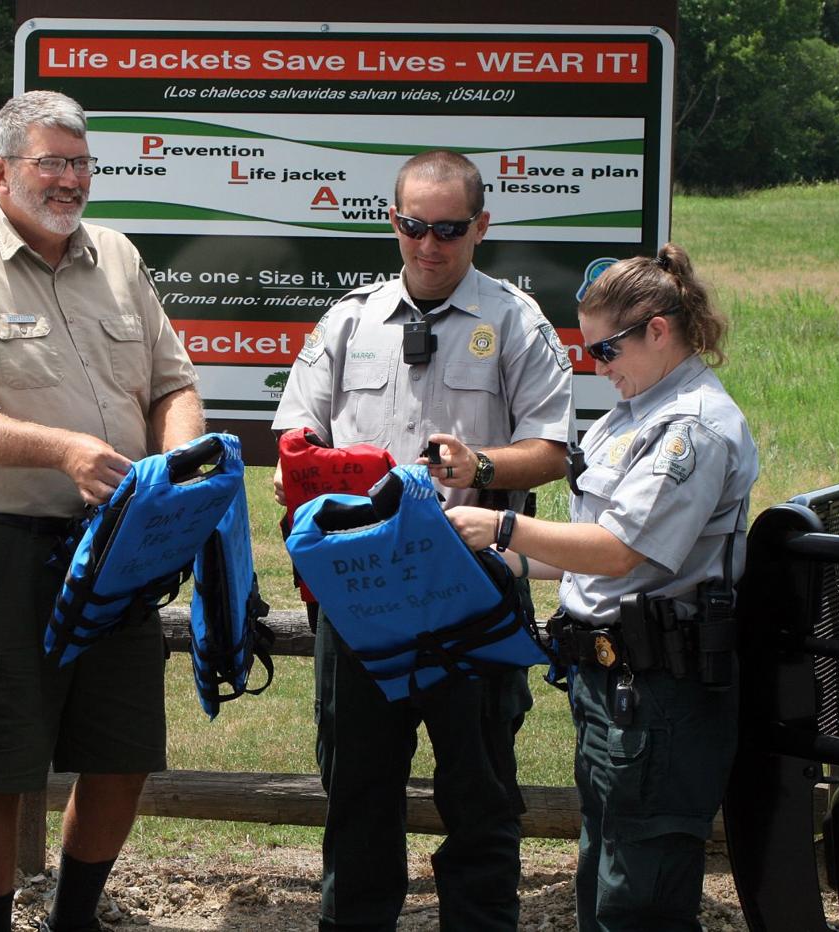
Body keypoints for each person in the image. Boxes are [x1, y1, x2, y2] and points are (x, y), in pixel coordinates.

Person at [0, 90, 203, 932]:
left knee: (122, 754)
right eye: (50, 164)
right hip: (0, 548)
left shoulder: (119, 258)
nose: (69, 182)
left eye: (80, 163)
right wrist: (59, 450)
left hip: (117, 548)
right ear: (3, 172)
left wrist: (173, 466)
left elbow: (174, 383)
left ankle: (74, 918)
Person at [272, 149, 573, 931]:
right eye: (414, 226)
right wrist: (296, 476)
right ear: (392, 221)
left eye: (448, 229)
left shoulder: (514, 320)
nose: (429, 245)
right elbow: (296, 433)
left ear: (481, 227)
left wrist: (485, 462)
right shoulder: (348, 320)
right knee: (359, 788)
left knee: (479, 791)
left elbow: (553, 448)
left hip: (469, 583)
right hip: (362, 588)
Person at [446, 243, 758, 932]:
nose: (597, 366)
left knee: (637, 900)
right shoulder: (632, 414)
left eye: (607, 351)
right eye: (588, 351)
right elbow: (590, 552)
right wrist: (501, 561)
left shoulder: (690, 427)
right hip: (614, 690)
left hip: (660, 694)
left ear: (657, 329)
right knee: (604, 878)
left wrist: (503, 530)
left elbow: (620, 553)